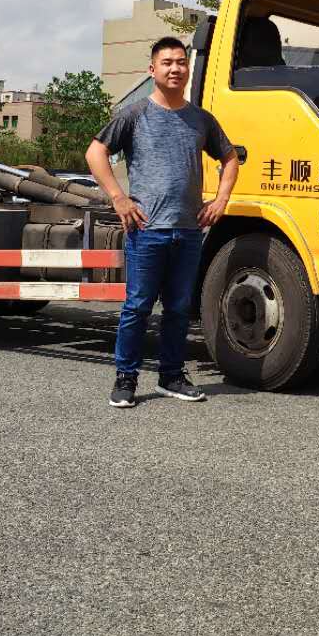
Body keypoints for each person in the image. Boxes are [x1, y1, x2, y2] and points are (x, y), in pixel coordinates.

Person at [85, 36, 238, 408]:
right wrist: (119, 197)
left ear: (188, 69)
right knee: (137, 306)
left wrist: (220, 200)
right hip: (147, 230)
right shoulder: (135, 114)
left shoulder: (201, 119)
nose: (175, 68)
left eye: (181, 62)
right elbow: (95, 152)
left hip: (187, 230)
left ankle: (172, 375)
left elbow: (230, 159)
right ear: (152, 70)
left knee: (178, 307)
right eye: (167, 62)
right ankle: (126, 378)